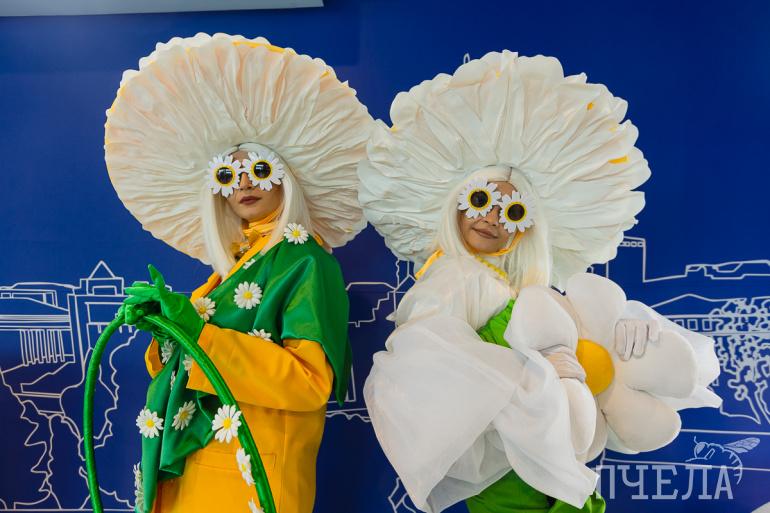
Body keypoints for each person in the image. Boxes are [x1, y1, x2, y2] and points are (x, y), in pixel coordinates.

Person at [358, 51, 721, 513]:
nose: (492, 218)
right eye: (480, 200)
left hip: (548, 450)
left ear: (525, 228)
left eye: (511, 211)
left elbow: (581, 342)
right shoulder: (453, 276)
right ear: (455, 203)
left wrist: (627, 334)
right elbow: (423, 361)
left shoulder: (518, 288)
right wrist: (535, 372)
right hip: (505, 459)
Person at [104, 33, 373, 513]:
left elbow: (309, 381)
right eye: (227, 175)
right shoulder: (231, 270)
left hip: (251, 471)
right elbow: (183, 367)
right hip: (202, 469)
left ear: (286, 177)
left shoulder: (306, 262)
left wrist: (197, 334)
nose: (244, 183)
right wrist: (165, 330)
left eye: (259, 169)